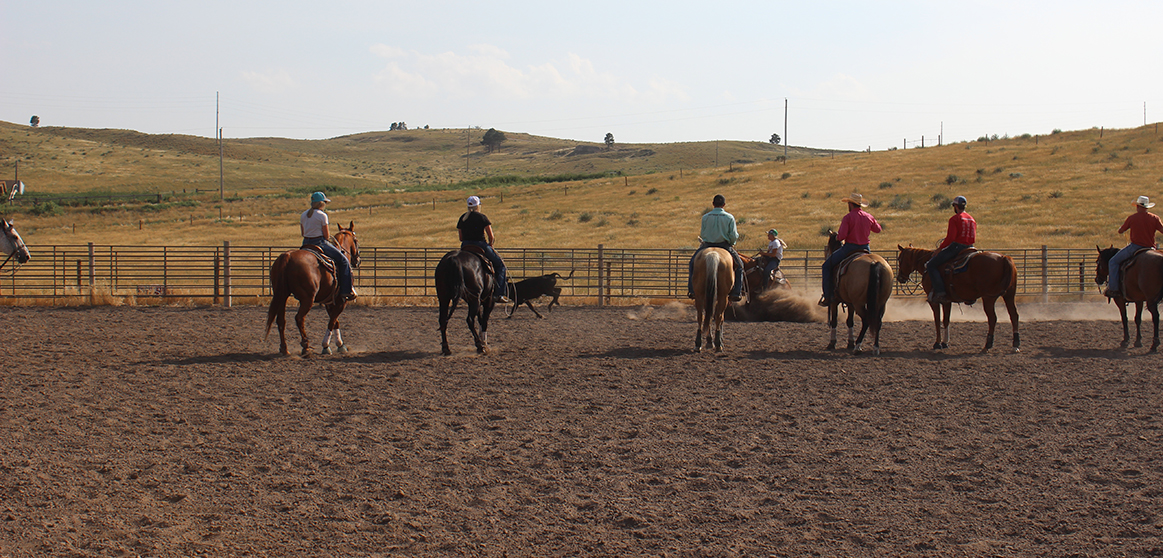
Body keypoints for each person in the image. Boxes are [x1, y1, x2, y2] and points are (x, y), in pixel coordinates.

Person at [820, 193, 882, 306]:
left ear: (850, 204)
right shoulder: (868, 216)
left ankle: (828, 296)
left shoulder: (848, 217)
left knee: (826, 266)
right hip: (865, 249)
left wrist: (838, 237)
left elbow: (841, 236)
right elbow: (878, 229)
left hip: (849, 248)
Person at [300, 191, 356, 301]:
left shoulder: (304, 215)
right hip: (319, 243)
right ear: (321, 203)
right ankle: (346, 290)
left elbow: (303, 233)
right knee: (343, 261)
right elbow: (326, 235)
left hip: (306, 243)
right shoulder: (322, 215)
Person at [688, 194, 744, 302]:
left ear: (713, 204)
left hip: (707, 245)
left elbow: (703, 234)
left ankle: (692, 290)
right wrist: (732, 242)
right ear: (724, 204)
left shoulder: (705, 217)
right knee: (740, 266)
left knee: (692, 263)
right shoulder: (729, 217)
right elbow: (733, 235)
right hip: (724, 245)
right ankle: (736, 292)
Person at [1105, 195, 1163, 298]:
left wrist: (1121, 229)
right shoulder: (1155, 218)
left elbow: (1121, 230)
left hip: (1135, 247)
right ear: (1147, 207)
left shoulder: (1132, 218)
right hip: (1150, 248)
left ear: (1137, 206)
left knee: (1113, 262)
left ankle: (1113, 289)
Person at [457, 195, 511, 303]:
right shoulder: (482, 217)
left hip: (465, 246)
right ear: (478, 206)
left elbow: (461, 238)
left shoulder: (463, 218)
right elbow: (491, 236)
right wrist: (490, 244)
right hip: (480, 245)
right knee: (500, 265)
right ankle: (498, 294)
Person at [925, 195, 976, 303]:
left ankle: (940, 292)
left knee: (931, 265)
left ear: (955, 206)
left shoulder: (955, 219)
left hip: (957, 247)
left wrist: (940, 249)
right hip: (971, 247)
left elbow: (951, 238)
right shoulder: (972, 219)